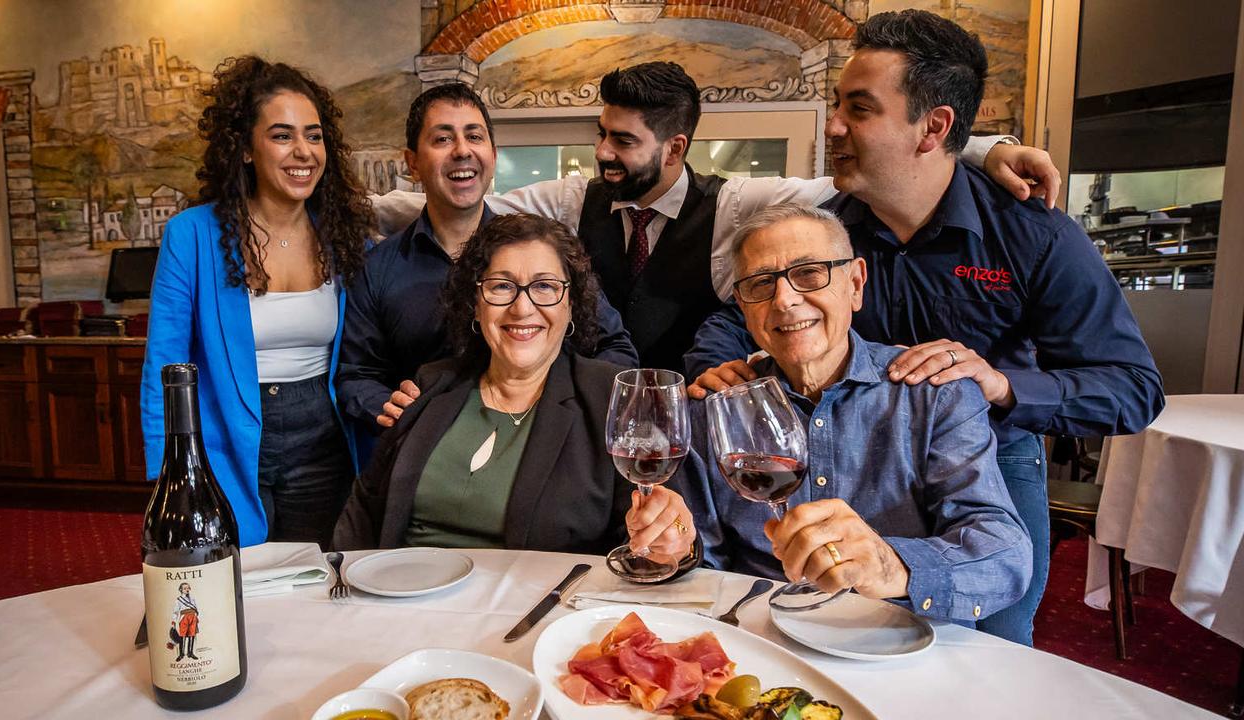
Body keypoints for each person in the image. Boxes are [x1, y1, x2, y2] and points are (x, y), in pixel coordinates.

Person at [686, 11, 1163, 646]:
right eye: (838, 105)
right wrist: (718, 366)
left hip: (991, 455)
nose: (833, 127)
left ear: (934, 127)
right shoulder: (827, 227)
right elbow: (734, 314)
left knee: (988, 634)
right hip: (857, 451)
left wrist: (1001, 387)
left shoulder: (1032, 234)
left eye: (858, 108)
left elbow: (1133, 389)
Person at [370, 61, 1061, 372]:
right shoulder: (571, 200)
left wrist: (978, 146)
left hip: (695, 423)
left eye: (622, 141)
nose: (602, 152)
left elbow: (859, 173)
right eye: (601, 134)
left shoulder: (735, 204)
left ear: (675, 147)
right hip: (578, 424)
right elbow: (450, 202)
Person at [685, 204, 1031, 623]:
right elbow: (702, 565)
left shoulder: (934, 393)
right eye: (761, 283)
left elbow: (1005, 554)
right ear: (743, 305)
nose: (785, 300)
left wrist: (892, 565)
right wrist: (675, 550)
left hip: (904, 645)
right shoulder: (719, 407)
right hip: (763, 641)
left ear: (855, 284)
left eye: (809, 273)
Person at [333, 213, 698, 565]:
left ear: (571, 304)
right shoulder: (429, 385)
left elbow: (664, 536)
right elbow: (363, 513)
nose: (522, 307)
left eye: (544, 286)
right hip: (405, 604)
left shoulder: (607, 399)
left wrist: (675, 538)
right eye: (501, 286)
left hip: (536, 614)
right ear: (476, 305)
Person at [142, 56, 376, 547]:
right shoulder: (194, 234)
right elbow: (165, 359)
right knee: (236, 578)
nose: (303, 152)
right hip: (223, 435)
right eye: (282, 135)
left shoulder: (345, 235)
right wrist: (166, 467)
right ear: (246, 149)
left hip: (322, 437)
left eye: (314, 136)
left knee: (317, 574)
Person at [336, 83, 637, 460]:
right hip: (427, 457)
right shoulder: (377, 268)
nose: (462, 150)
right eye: (443, 138)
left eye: (474, 136)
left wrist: (572, 402)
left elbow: (617, 349)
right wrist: (386, 405)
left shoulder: (545, 252)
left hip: (545, 453)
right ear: (412, 163)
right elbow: (356, 374)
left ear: (493, 155)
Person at [172, 582, 199, 662]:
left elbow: (196, 607)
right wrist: (173, 621)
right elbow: (175, 611)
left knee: (192, 635)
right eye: (184, 588)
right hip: (184, 618)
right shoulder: (178, 600)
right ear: (181, 590)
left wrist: (195, 616)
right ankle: (181, 654)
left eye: (188, 588)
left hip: (193, 617)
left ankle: (190, 653)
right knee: (182, 636)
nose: (187, 589)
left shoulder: (192, 598)